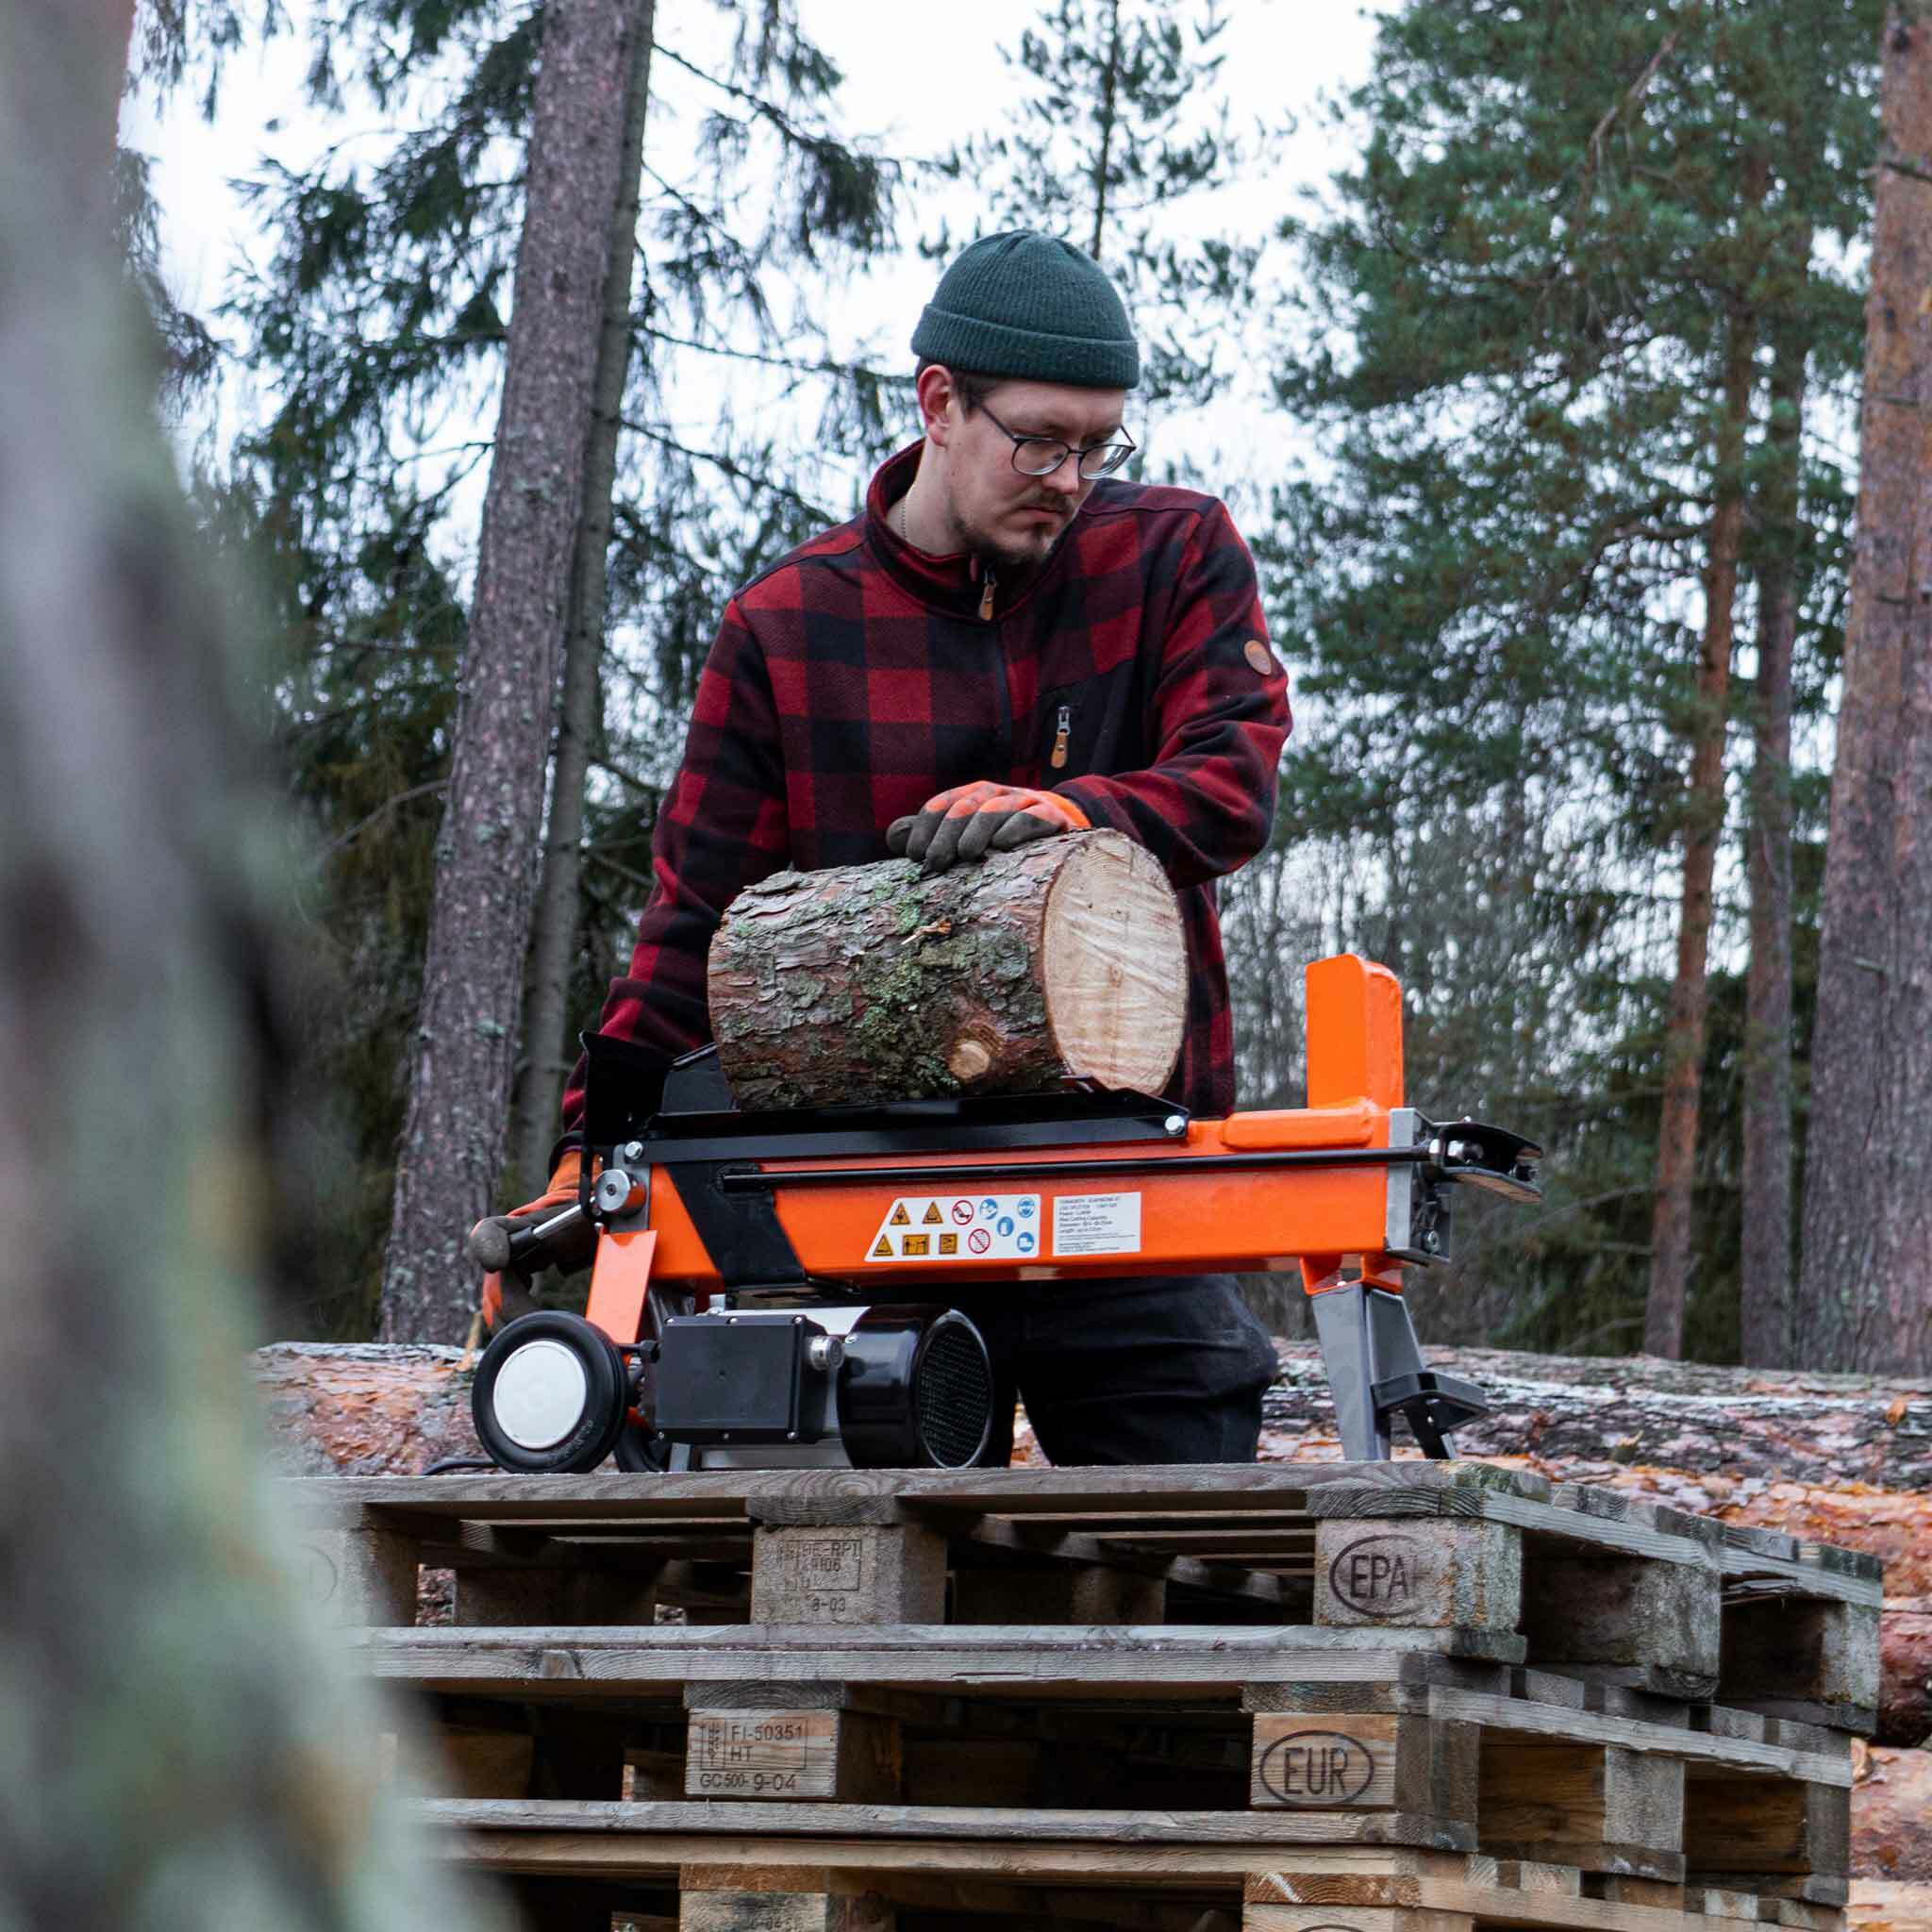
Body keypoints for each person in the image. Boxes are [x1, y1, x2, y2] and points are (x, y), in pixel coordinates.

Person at [484, 229, 1291, 1464]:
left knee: (1192, 1531)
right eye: (1040, 440)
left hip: (1119, 1184)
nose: (1072, 476)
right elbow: (690, 939)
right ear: (940, 404)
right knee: (828, 1533)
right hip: (874, 1203)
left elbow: (1235, 776)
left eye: (1099, 444)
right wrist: (589, 1159)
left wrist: (1079, 817)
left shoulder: (1173, 553)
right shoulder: (788, 629)